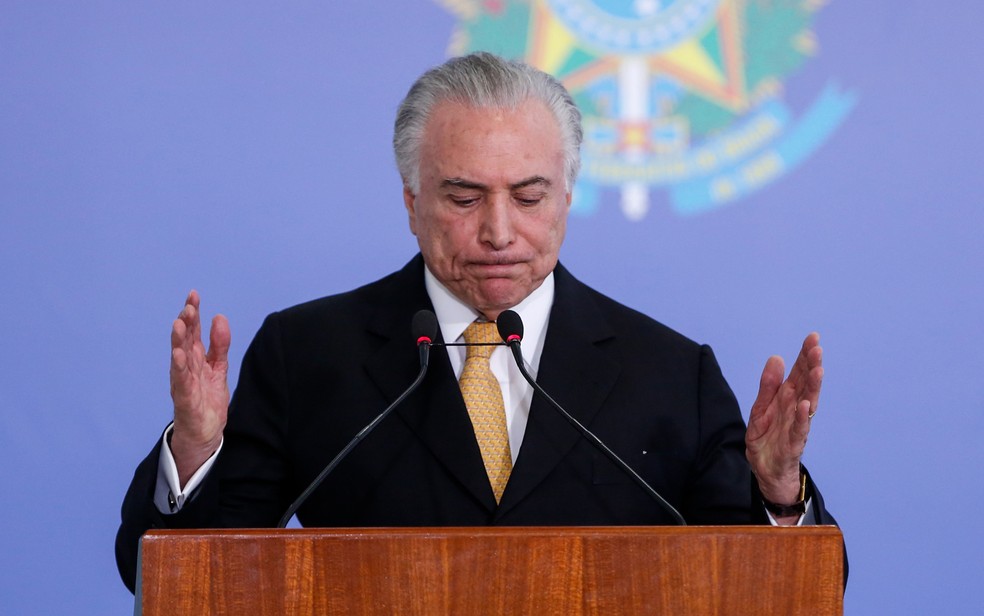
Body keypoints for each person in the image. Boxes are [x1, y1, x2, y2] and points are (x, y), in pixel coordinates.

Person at [116, 52, 838, 592]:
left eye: (528, 196)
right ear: (411, 200)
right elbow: (176, 578)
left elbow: (772, 590)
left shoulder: (671, 373)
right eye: (464, 198)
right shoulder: (308, 355)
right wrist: (195, 453)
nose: (499, 231)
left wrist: (777, 496)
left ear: (566, 196)